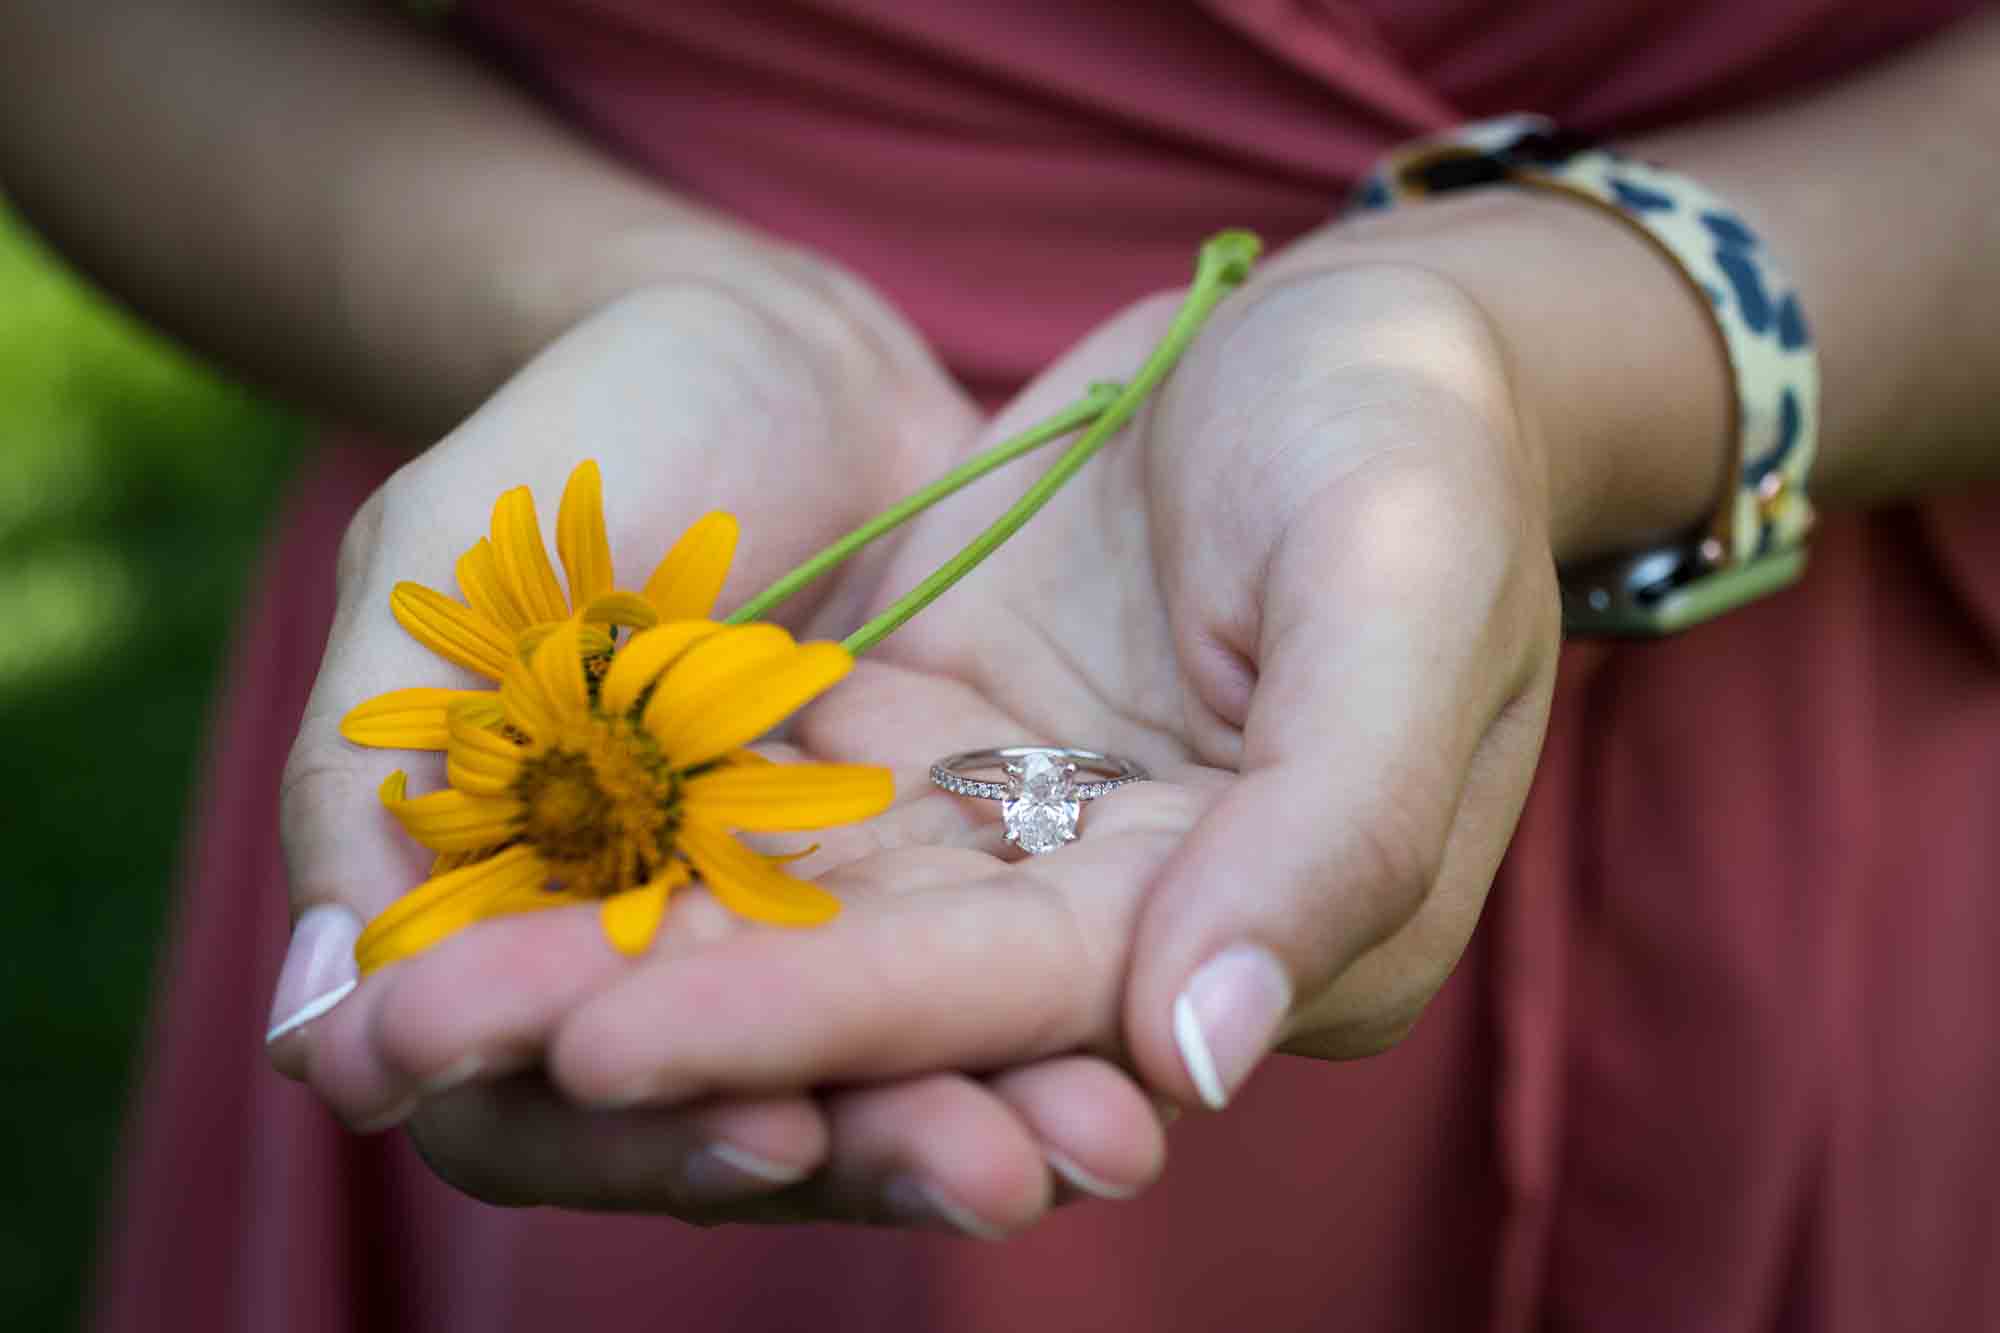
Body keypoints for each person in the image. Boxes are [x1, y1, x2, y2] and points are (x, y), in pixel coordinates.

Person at [5, 1, 1994, 1328]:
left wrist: (1572, 350)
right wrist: (636, 300)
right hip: (588, 444)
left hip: (1839, 768)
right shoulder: (668, 714)